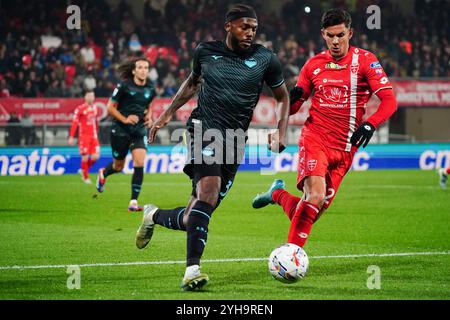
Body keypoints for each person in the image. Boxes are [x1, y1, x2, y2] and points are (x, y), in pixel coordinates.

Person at [135, 4, 290, 291]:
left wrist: (280, 131)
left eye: (254, 29)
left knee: (198, 211)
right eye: (244, 27)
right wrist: (166, 115)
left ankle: (153, 215)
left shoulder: (265, 59)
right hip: (202, 129)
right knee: (208, 189)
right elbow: (193, 83)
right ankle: (192, 270)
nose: (250, 33)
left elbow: (283, 96)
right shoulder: (206, 51)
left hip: (234, 140)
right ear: (228, 26)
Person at [252, 9, 398, 249]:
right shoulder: (313, 65)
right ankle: (291, 256)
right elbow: (294, 106)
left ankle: (277, 194)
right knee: (315, 197)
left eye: (341, 35)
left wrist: (370, 124)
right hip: (315, 139)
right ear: (323, 34)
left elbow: (389, 101)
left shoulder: (366, 61)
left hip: (345, 149)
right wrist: (290, 100)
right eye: (330, 36)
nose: (336, 41)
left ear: (350, 33)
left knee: (309, 212)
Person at [96, 57, 155, 212]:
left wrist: (149, 116)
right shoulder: (124, 86)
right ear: (134, 71)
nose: (143, 70)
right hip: (120, 130)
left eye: (146, 67)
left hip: (139, 130)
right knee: (118, 166)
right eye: (140, 67)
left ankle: (133, 201)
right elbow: (110, 107)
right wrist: (125, 119)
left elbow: (149, 105)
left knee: (139, 163)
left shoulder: (151, 87)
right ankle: (104, 172)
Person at [68, 90, 101, 184]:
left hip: (93, 136)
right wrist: (71, 136)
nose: (91, 97)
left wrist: (97, 130)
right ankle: (85, 177)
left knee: (96, 156)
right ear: (85, 97)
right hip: (84, 136)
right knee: (85, 157)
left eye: (92, 96)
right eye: (89, 96)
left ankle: (83, 169)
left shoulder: (95, 108)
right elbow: (74, 123)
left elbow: (95, 121)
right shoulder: (79, 109)